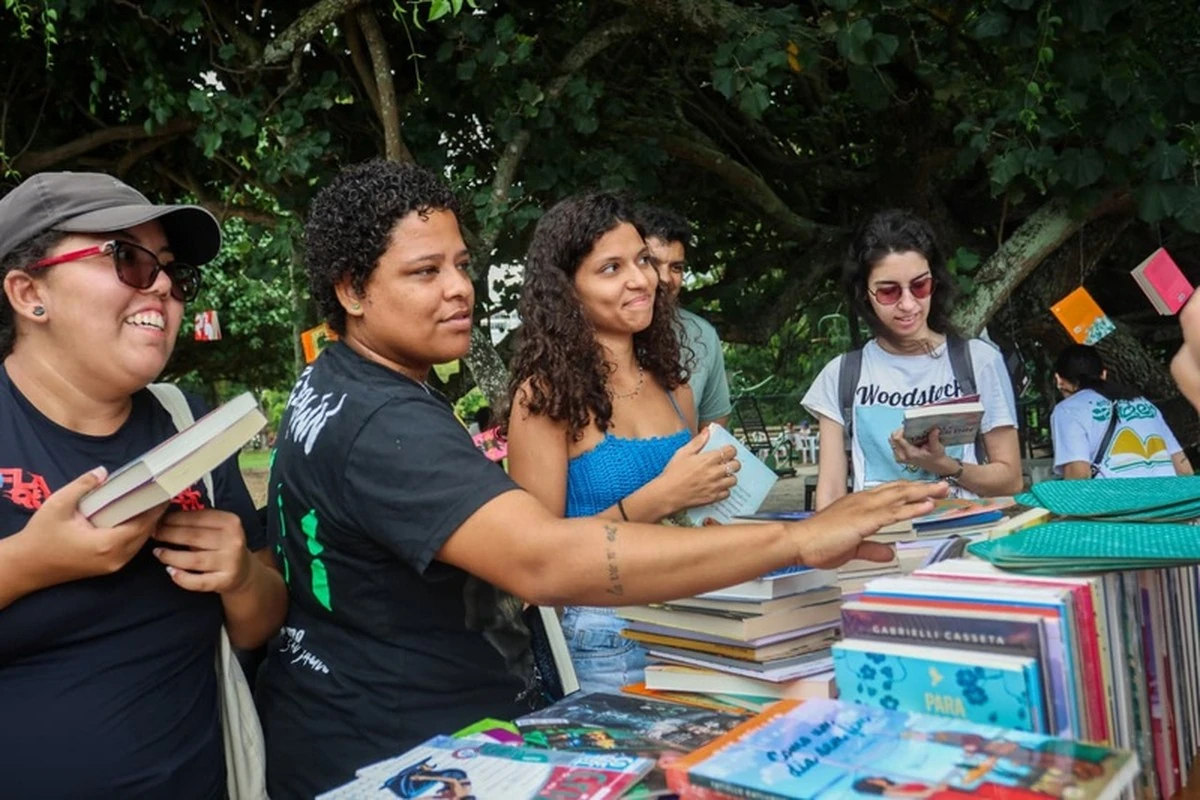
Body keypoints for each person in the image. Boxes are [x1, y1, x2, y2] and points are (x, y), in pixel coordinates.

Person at [255, 160, 948, 799]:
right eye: (424, 272)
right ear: (351, 290)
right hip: (398, 756)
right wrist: (798, 541)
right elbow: (543, 558)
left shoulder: (333, 384)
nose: (459, 288)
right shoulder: (386, 420)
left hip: (383, 722)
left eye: (462, 264)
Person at [0, 172, 285, 799]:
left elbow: (259, 624)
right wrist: (28, 562)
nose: (161, 284)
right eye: (126, 257)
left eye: (172, 272)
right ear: (28, 293)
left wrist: (238, 575)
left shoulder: (187, 426)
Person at [505, 192, 738, 693]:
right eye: (611, 268)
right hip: (606, 639)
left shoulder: (673, 381)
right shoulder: (545, 398)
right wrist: (663, 496)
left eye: (643, 261)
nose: (641, 279)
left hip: (696, 616)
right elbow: (536, 561)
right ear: (568, 291)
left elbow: (694, 510)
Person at [803, 210, 1022, 508]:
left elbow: (1010, 480)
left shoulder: (979, 361)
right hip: (879, 543)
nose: (908, 304)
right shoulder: (840, 374)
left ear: (936, 281)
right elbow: (829, 495)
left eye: (919, 286)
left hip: (960, 539)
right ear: (865, 294)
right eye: (889, 292)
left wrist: (945, 465)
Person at [635, 205, 732, 428]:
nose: (666, 278)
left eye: (676, 268)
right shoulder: (601, 332)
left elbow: (712, 434)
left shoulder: (701, 336)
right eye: (651, 262)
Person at [1050, 344, 1191, 479]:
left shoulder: (1068, 410)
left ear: (1059, 380)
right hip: (1168, 499)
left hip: (1117, 501)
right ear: (1104, 374)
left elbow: (1079, 475)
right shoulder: (1143, 404)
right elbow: (1184, 469)